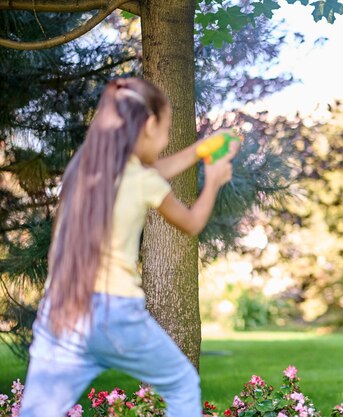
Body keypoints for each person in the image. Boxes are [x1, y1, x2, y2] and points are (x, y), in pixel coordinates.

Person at [19, 77, 240, 417]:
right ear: (149, 124)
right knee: (181, 384)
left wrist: (198, 151)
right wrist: (211, 182)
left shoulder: (84, 168)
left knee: (38, 411)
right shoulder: (141, 180)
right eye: (165, 130)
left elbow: (150, 174)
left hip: (62, 310)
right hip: (114, 313)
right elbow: (191, 222)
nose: (165, 140)